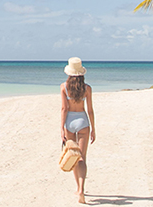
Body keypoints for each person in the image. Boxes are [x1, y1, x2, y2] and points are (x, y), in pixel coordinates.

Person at [61, 57, 95, 204]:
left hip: (69, 122)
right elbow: (90, 110)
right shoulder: (87, 88)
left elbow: (64, 109)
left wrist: (62, 128)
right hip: (83, 121)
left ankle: (77, 188)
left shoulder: (64, 87)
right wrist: (93, 129)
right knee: (82, 157)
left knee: (73, 156)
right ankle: (81, 188)